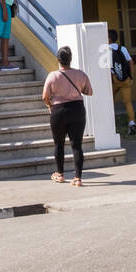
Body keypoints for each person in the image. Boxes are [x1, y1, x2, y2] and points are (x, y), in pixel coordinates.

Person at [42, 46, 92, 186]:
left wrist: (50, 105)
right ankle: (78, 178)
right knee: (77, 145)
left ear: (58, 60)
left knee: (59, 144)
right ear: (70, 59)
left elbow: (45, 96)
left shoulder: (53, 76)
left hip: (58, 111)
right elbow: (89, 91)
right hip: (77, 109)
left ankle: (60, 174)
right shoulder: (80, 74)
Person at [109, 29, 136, 134]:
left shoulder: (105, 50)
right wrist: (131, 77)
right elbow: (131, 62)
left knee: (110, 103)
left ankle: (111, 125)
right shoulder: (122, 48)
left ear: (108, 38)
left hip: (113, 79)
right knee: (128, 102)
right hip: (126, 79)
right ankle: (132, 122)